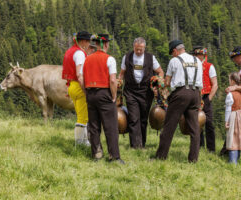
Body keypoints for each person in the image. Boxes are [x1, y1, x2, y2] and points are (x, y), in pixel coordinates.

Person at [153, 40, 203, 162]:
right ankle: (193, 159)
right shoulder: (198, 61)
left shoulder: (174, 61)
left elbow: (167, 82)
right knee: (194, 128)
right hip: (196, 94)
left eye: (172, 53)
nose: (172, 55)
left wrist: (159, 84)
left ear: (175, 51)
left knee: (169, 126)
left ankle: (161, 157)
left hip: (181, 94)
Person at [82, 33, 124, 164]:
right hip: (104, 93)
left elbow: (82, 79)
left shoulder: (87, 59)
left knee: (94, 126)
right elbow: (112, 80)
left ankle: (97, 154)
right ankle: (114, 156)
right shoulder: (109, 59)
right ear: (105, 44)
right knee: (110, 126)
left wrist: (86, 93)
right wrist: (114, 95)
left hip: (90, 93)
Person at [118, 37, 164, 148]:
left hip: (146, 92)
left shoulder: (151, 58)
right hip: (131, 91)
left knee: (143, 119)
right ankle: (135, 146)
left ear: (144, 48)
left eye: (141, 49)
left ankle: (142, 143)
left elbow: (160, 72)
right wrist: (118, 83)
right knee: (134, 118)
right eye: (137, 49)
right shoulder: (127, 57)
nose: (138, 51)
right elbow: (122, 73)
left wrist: (158, 81)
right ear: (133, 47)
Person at [62, 31, 91, 147]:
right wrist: (85, 90)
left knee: (80, 114)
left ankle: (83, 141)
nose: (89, 44)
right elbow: (80, 74)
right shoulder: (79, 53)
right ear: (83, 41)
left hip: (71, 86)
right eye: (88, 41)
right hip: (78, 86)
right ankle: (80, 143)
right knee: (83, 116)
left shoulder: (70, 51)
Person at [192, 46, 218, 152]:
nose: (198, 57)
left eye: (199, 55)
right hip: (195, 96)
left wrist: (209, 99)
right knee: (196, 122)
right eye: (196, 55)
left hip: (206, 97)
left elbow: (215, 84)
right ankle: (199, 145)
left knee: (209, 123)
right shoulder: (192, 66)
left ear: (203, 55)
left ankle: (211, 148)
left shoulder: (209, 66)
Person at [225, 72, 241, 164]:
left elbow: (228, 109)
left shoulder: (230, 94)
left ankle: (232, 162)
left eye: (229, 80)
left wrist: (226, 121)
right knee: (238, 138)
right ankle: (237, 159)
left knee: (232, 138)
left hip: (233, 115)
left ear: (232, 81)